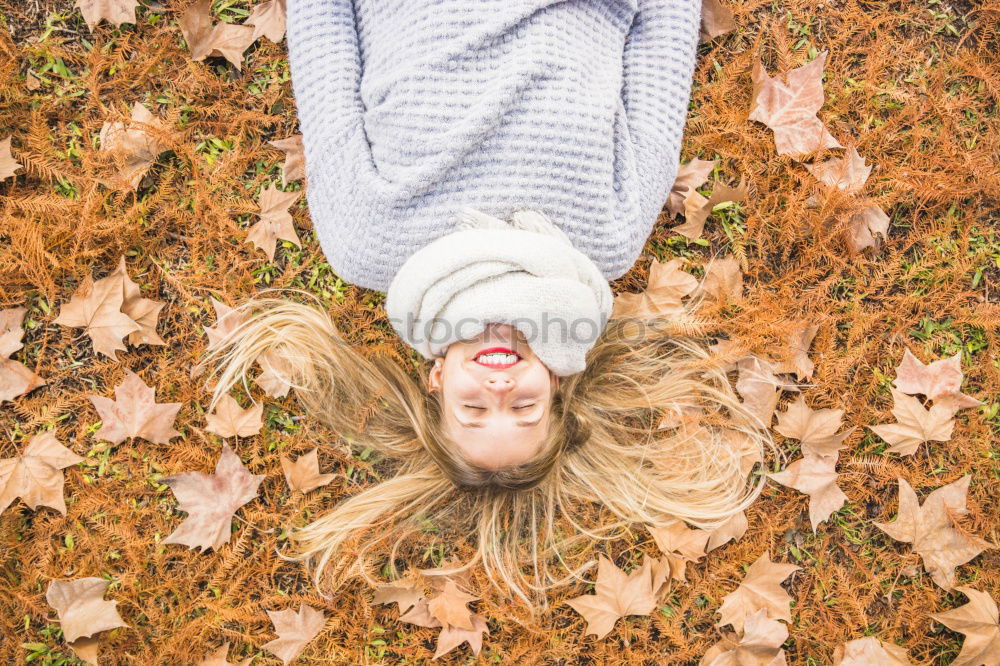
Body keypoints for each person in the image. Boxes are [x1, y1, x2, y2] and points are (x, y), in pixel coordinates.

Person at [204, 0, 777, 606]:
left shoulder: (364, 244)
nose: (498, 394)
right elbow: (661, 57)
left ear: (436, 379)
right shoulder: (608, 241)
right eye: (525, 408)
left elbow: (324, 51)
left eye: (473, 410)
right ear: (555, 383)